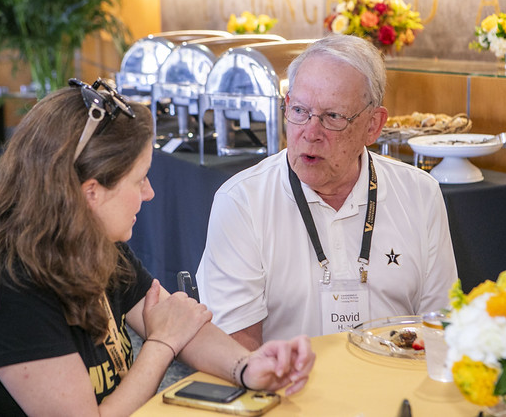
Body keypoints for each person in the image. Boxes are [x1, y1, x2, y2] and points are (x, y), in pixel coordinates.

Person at [0, 79, 315, 416]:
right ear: (91, 192)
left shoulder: (91, 241)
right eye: (139, 179)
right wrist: (160, 344)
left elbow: (174, 319)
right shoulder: (7, 284)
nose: (149, 193)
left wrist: (246, 366)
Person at [196, 35, 458, 351]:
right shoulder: (242, 202)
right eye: (299, 110)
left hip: (394, 377)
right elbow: (236, 349)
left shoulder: (420, 194)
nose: (310, 133)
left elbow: (440, 327)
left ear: (373, 125)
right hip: (290, 381)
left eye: (333, 116)